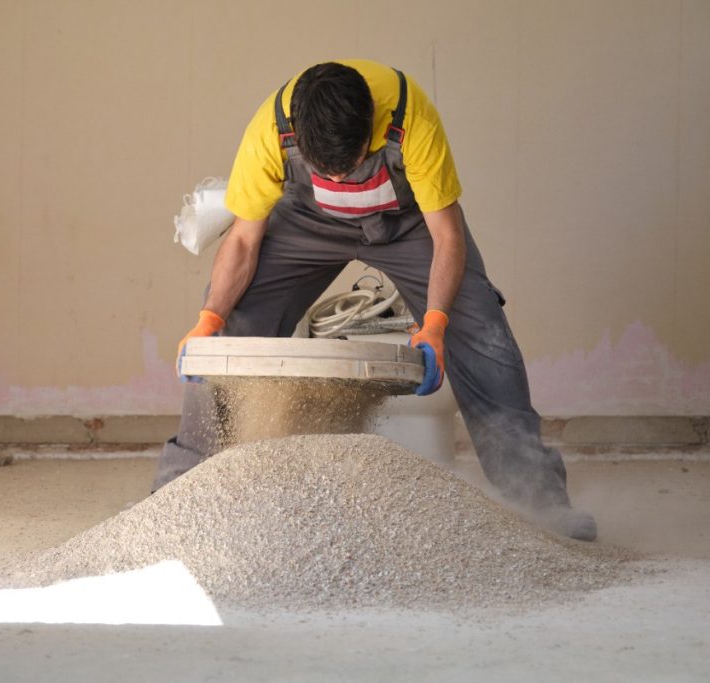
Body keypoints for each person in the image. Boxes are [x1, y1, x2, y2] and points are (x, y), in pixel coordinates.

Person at [154, 59, 597, 541]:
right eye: (331, 171)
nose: (344, 181)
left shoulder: (412, 120)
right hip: (308, 223)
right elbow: (241, 242)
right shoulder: (269, 130)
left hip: (407, 225)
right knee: (227, 330)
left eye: (354, 165)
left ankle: (539, 502)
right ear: (300, 139)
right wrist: (209, 319)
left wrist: (434, 324)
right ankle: (182, 494)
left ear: (372, 127)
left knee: (482, 330)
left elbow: (447, 237)